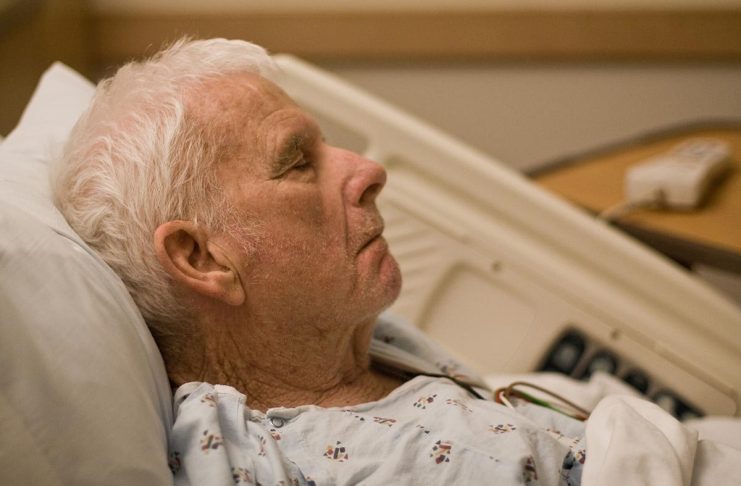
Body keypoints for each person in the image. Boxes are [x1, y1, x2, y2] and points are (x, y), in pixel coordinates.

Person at [56, 37, 734, 485]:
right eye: (297, 163)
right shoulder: (333, 462)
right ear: (202, 258)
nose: (367, 170)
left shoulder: (337, 346)